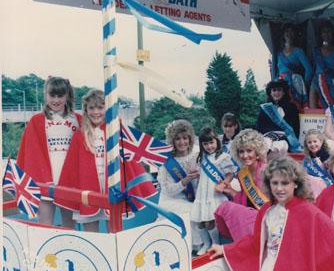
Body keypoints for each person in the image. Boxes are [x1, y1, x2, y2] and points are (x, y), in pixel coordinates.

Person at [209, 156, 334, 271]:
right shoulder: (267, 211)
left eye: (285, 183)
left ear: (295, 184)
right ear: (268, 184)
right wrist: (226, 249)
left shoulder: (308, 211)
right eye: (275, 183)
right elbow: (255, 243)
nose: (279, 188)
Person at [58, 89, 157, 232]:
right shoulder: (80, 135)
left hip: (112, 189)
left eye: (100, 107)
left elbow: (130, 161)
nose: (96, 112)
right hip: (89, 190)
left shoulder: (116, 131)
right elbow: (71, 167)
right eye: (91, 108)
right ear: (86, 110)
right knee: (91, 235)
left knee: (115, 233)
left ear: (107, 108)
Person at [17, 76, 82, 228]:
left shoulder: (78, 120)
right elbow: (30, 154)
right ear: (45, 95)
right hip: (45, 181)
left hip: (70, 183)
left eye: (60, 95)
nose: (56, 100)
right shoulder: (37, 121)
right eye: (52, 95)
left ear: (67, 95)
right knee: (44, 228)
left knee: (69, 230)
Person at [214, 129, 268, 241]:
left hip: (267, 220)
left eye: (249, 151)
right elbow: (245, 199)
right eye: (241, 151)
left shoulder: (267, 171)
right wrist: (231, 191)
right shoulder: (242, 174)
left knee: (226, 208)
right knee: (224, 208)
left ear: (257, 152)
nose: (245, 155)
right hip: (250, 217)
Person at [157, 119, 202, 250]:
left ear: (190, 138)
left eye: (185, 138)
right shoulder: (167, 162)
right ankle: (194, 247)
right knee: (193, 210)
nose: (182, 142)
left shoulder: (198, 155)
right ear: (172, 141)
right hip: (170, 200)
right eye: (177, 139)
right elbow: (167, 190)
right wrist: (185, 181)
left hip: (192, 199)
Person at [191, 127, 237, 255]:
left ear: (217, 141)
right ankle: (206, 243)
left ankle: (215, 243)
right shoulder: (202, 157)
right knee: (200, 221)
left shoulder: (223, 157)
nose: (209, 146)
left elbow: (230, 173)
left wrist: (224, 184)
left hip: (214, 194)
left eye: (211, 142)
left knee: (210, 221)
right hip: (202, 194)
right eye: (205, 144)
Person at [256, 79, 301, 153]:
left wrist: (282, 136)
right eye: (274, 90)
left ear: (284, 92)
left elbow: (295, 128)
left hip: (285, 140)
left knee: (278, 146)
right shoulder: (265, 108)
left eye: (279, 90)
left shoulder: (292, 108)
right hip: (268, 139)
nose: (276, 92)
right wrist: (271, 135)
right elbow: (259, 128)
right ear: (270, 93)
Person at [275, 24, 313, 110]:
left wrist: (305, 84)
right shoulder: (279, 54)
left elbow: (309, 69)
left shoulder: (298, 51)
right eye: (287, 31)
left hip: (295, 84)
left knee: (295, 108)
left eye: (292, 31)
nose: (289, 33)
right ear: (283, 34)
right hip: (281, 84)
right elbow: (277, 71)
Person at [309, 20, 334, 109]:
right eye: (324, 32)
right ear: (320, 34)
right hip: (316, 82)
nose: (327, 34)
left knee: (333, 108)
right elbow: (313, 68)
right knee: (313, 108)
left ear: (333, 34)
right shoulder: (316, 51)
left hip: (332, 83)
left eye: (329, 32)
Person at [302, 129, 333, 196]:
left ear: (321, 142)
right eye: (309, 142)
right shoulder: (307, 159)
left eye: (315, 141)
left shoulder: (327, 156)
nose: (312, 144)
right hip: (312, 185)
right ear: (306, 145)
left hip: (326, 184)